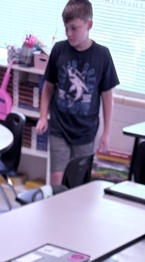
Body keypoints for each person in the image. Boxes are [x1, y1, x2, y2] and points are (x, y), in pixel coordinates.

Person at [36, 0, 119, 186]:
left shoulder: (102, 56)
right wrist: (43, 117)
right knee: (58, 180)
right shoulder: (59, 50)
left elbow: (107, 98)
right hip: (59, 127)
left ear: (89, 24)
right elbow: (48, 87)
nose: (69, 33)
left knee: (77, 182)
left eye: (74, 28)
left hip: (85, 131)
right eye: (66, 28)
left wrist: (106, 132)